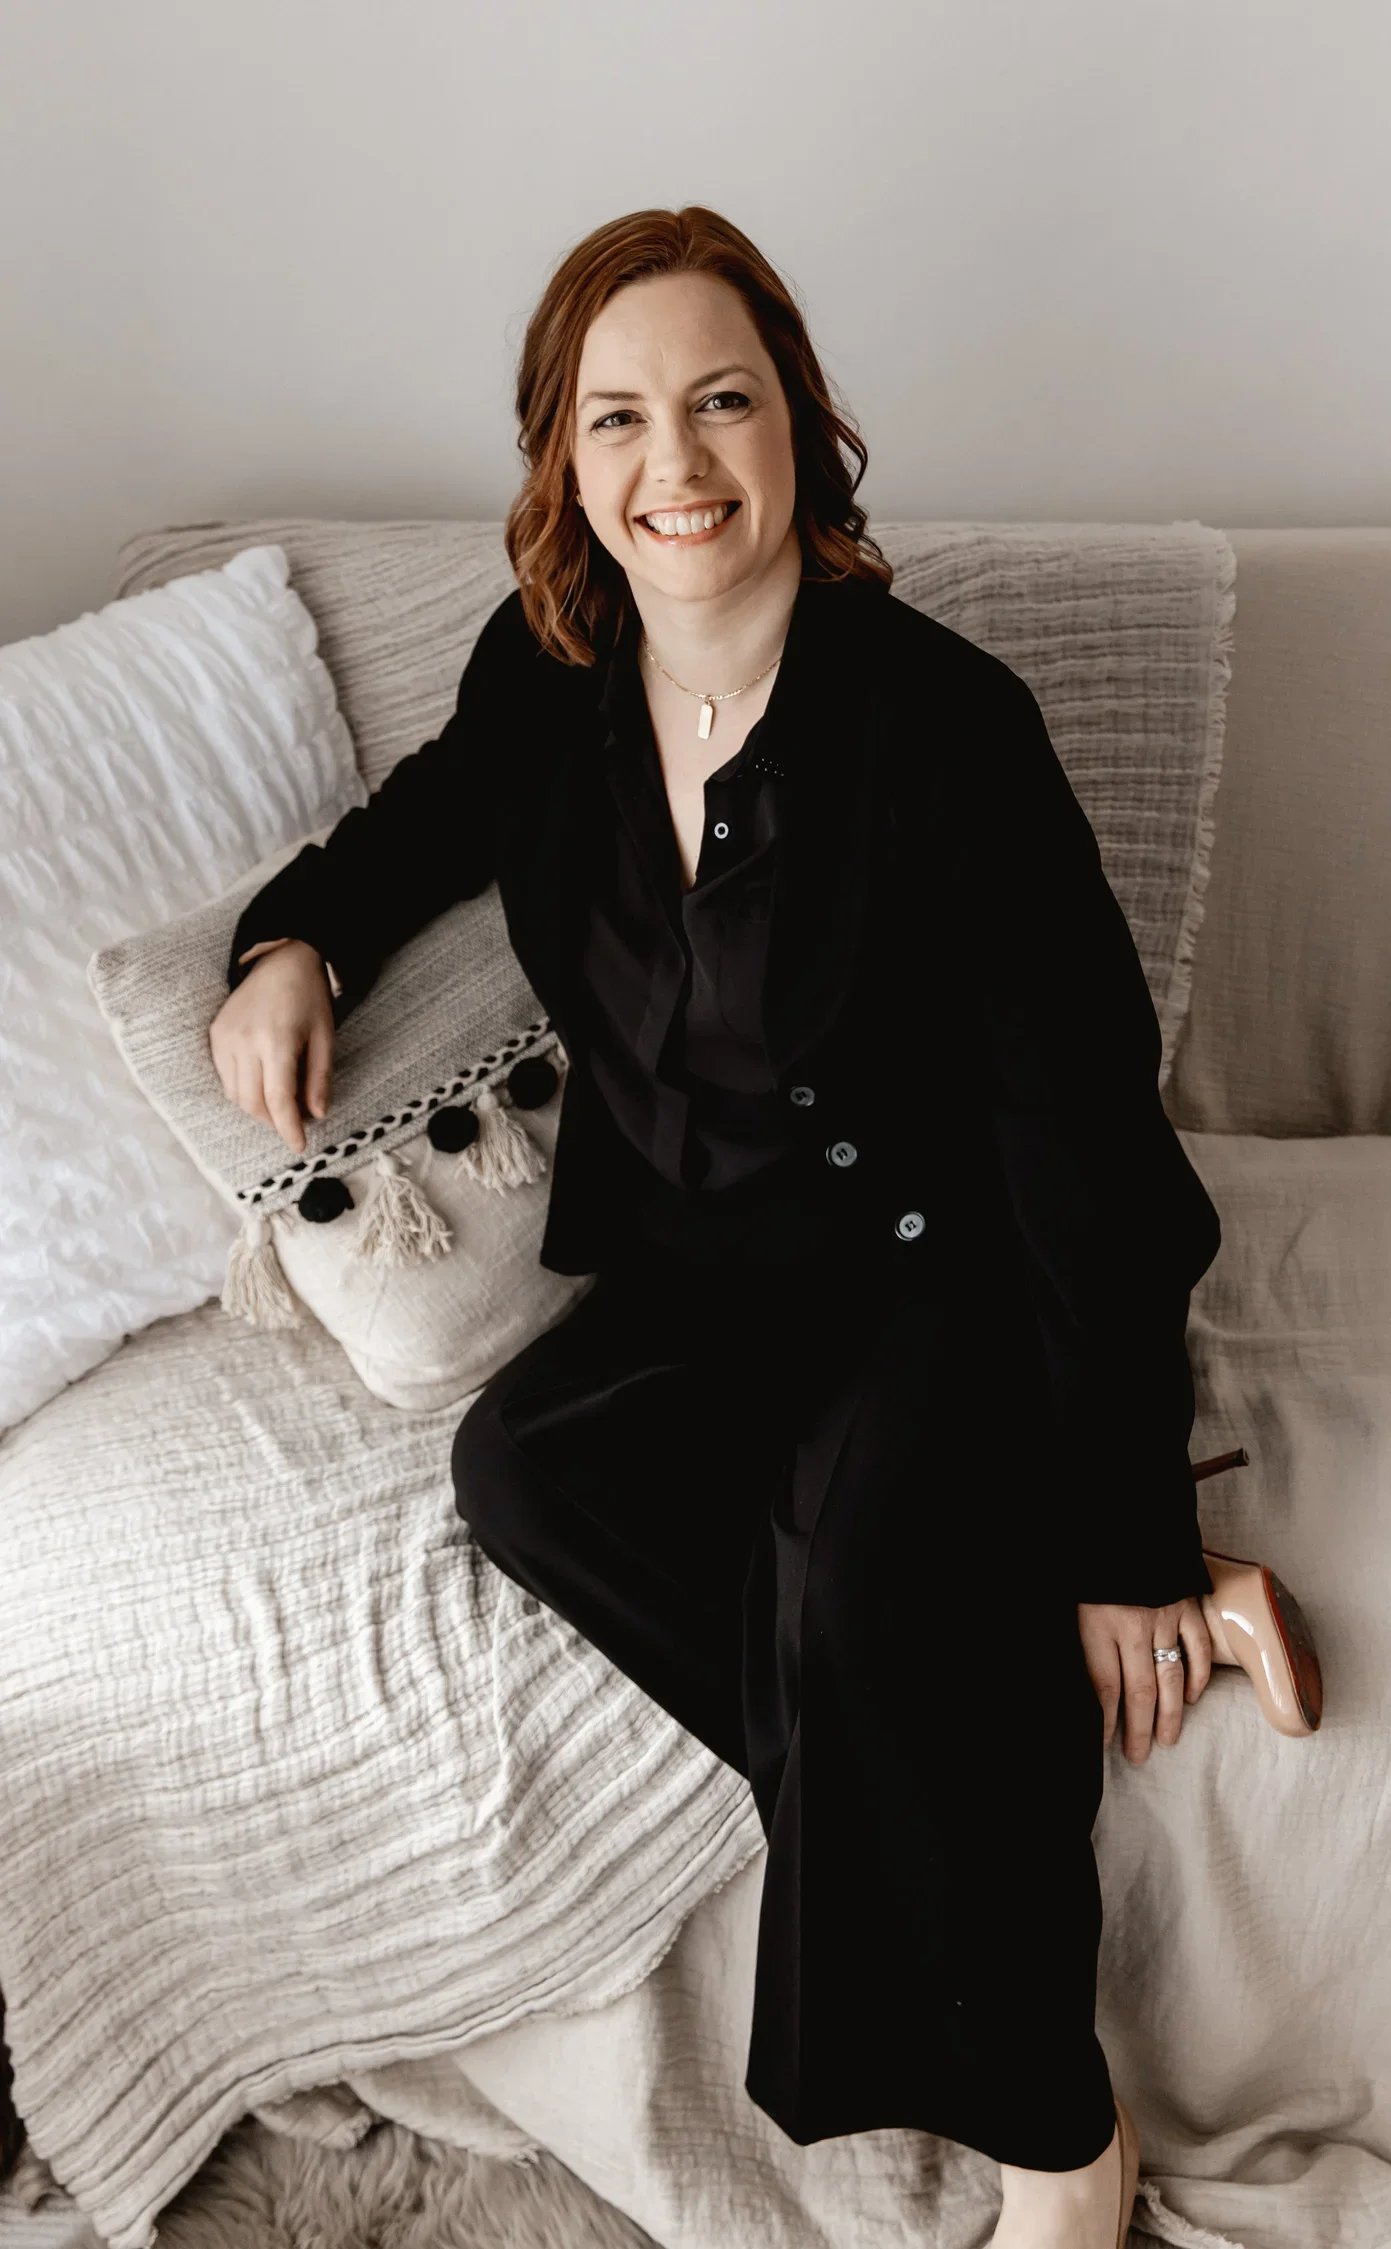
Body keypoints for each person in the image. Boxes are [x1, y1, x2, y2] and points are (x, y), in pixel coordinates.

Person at [210, 204, 1228, 2249]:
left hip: (934, 1267)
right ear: (565, 471)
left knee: (851, 1573)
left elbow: (1082, 1147)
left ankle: (1060, 2130)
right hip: (703, 1267)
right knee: (523, 1465)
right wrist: (290, 937)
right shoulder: (555, 673)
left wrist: (1131, 1545)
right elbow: (423, 821)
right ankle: (905, 1747)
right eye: (619, 422)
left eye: (719, 403)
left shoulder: (946, 732)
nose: (675, 464)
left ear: (799, 433)